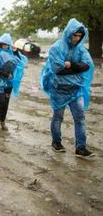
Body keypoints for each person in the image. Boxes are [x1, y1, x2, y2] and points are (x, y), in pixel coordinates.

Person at [41, 18, 95, 158]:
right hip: (59, 89)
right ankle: (56, 142)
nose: (77, 38)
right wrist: (76, 67)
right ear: (68, 33)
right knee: (58, 117)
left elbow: (87, 65)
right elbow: (57, 69)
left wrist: (70, 64)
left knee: (80, 118)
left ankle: (81, 147)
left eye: (79, 36)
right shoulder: (56, 48)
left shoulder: (81, 49)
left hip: (76, 90)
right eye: (74, 35)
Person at [0, 33, 28, 131]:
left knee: (6, 102)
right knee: (1, 100)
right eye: (4, 44)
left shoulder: (11, 52)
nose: (5, 46)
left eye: (7, 44)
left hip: (9, 81)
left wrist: (16, 51)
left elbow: (21, 61)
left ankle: (2, 121)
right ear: (0, 43)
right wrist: (5, 74)